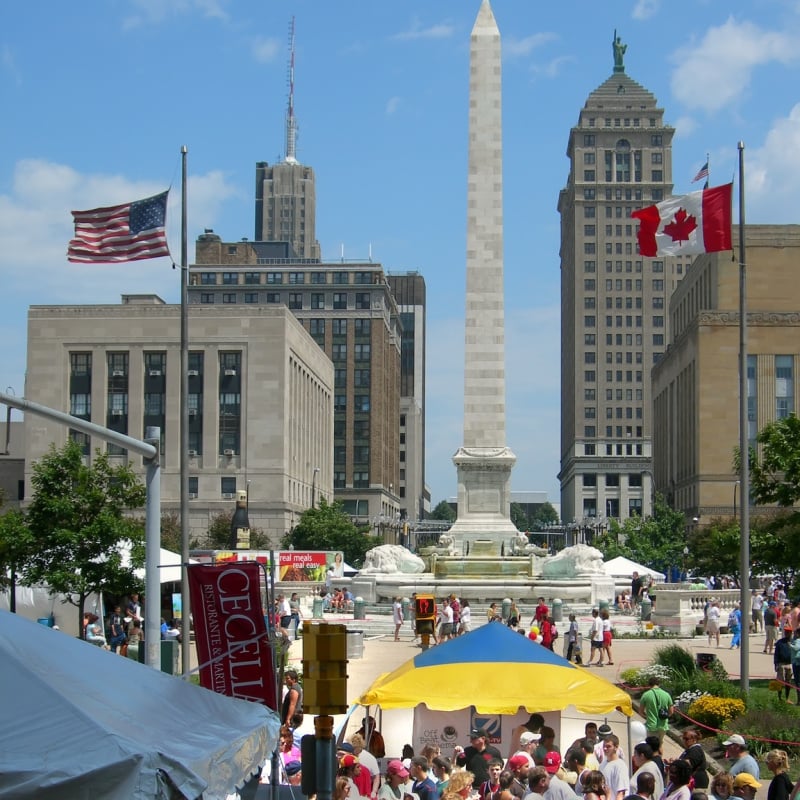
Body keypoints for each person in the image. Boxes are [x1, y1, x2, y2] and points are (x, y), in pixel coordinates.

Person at [639, 676, 674, 743]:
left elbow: (641, 712)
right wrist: (665, 716)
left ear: (649, 685)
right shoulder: (666, 694)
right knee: (660, 744)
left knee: (651, 747)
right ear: (659, 684)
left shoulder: (646, 695)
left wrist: (647, 717)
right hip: (663, 725)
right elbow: (671, 711)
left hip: (651, 725)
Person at [599, 735, 629, 800]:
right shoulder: (602, 764)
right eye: (604, 746)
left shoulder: (620, 766)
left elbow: (621, 793)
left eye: (608, 746)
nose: (605, 748)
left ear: (616, 747)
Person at [351, 733, 381, 798]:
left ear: (360, 746)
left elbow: (376, 776)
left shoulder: (370, 758)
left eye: (355, 747)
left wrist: (374, 792)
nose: (353, 750)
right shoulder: (350, 755)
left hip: (365, 793)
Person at [774, 628, 794, 701]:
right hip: (781, 664)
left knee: (788, 682)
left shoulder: (793, 642)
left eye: (789, 632)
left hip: (790, 664)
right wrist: (776, 664)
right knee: (780, 681)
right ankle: (779, 697)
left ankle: (787, 697)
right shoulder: (780, 642)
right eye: (786, 632)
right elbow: (776, 654)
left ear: (791, 633)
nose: (787, 633)